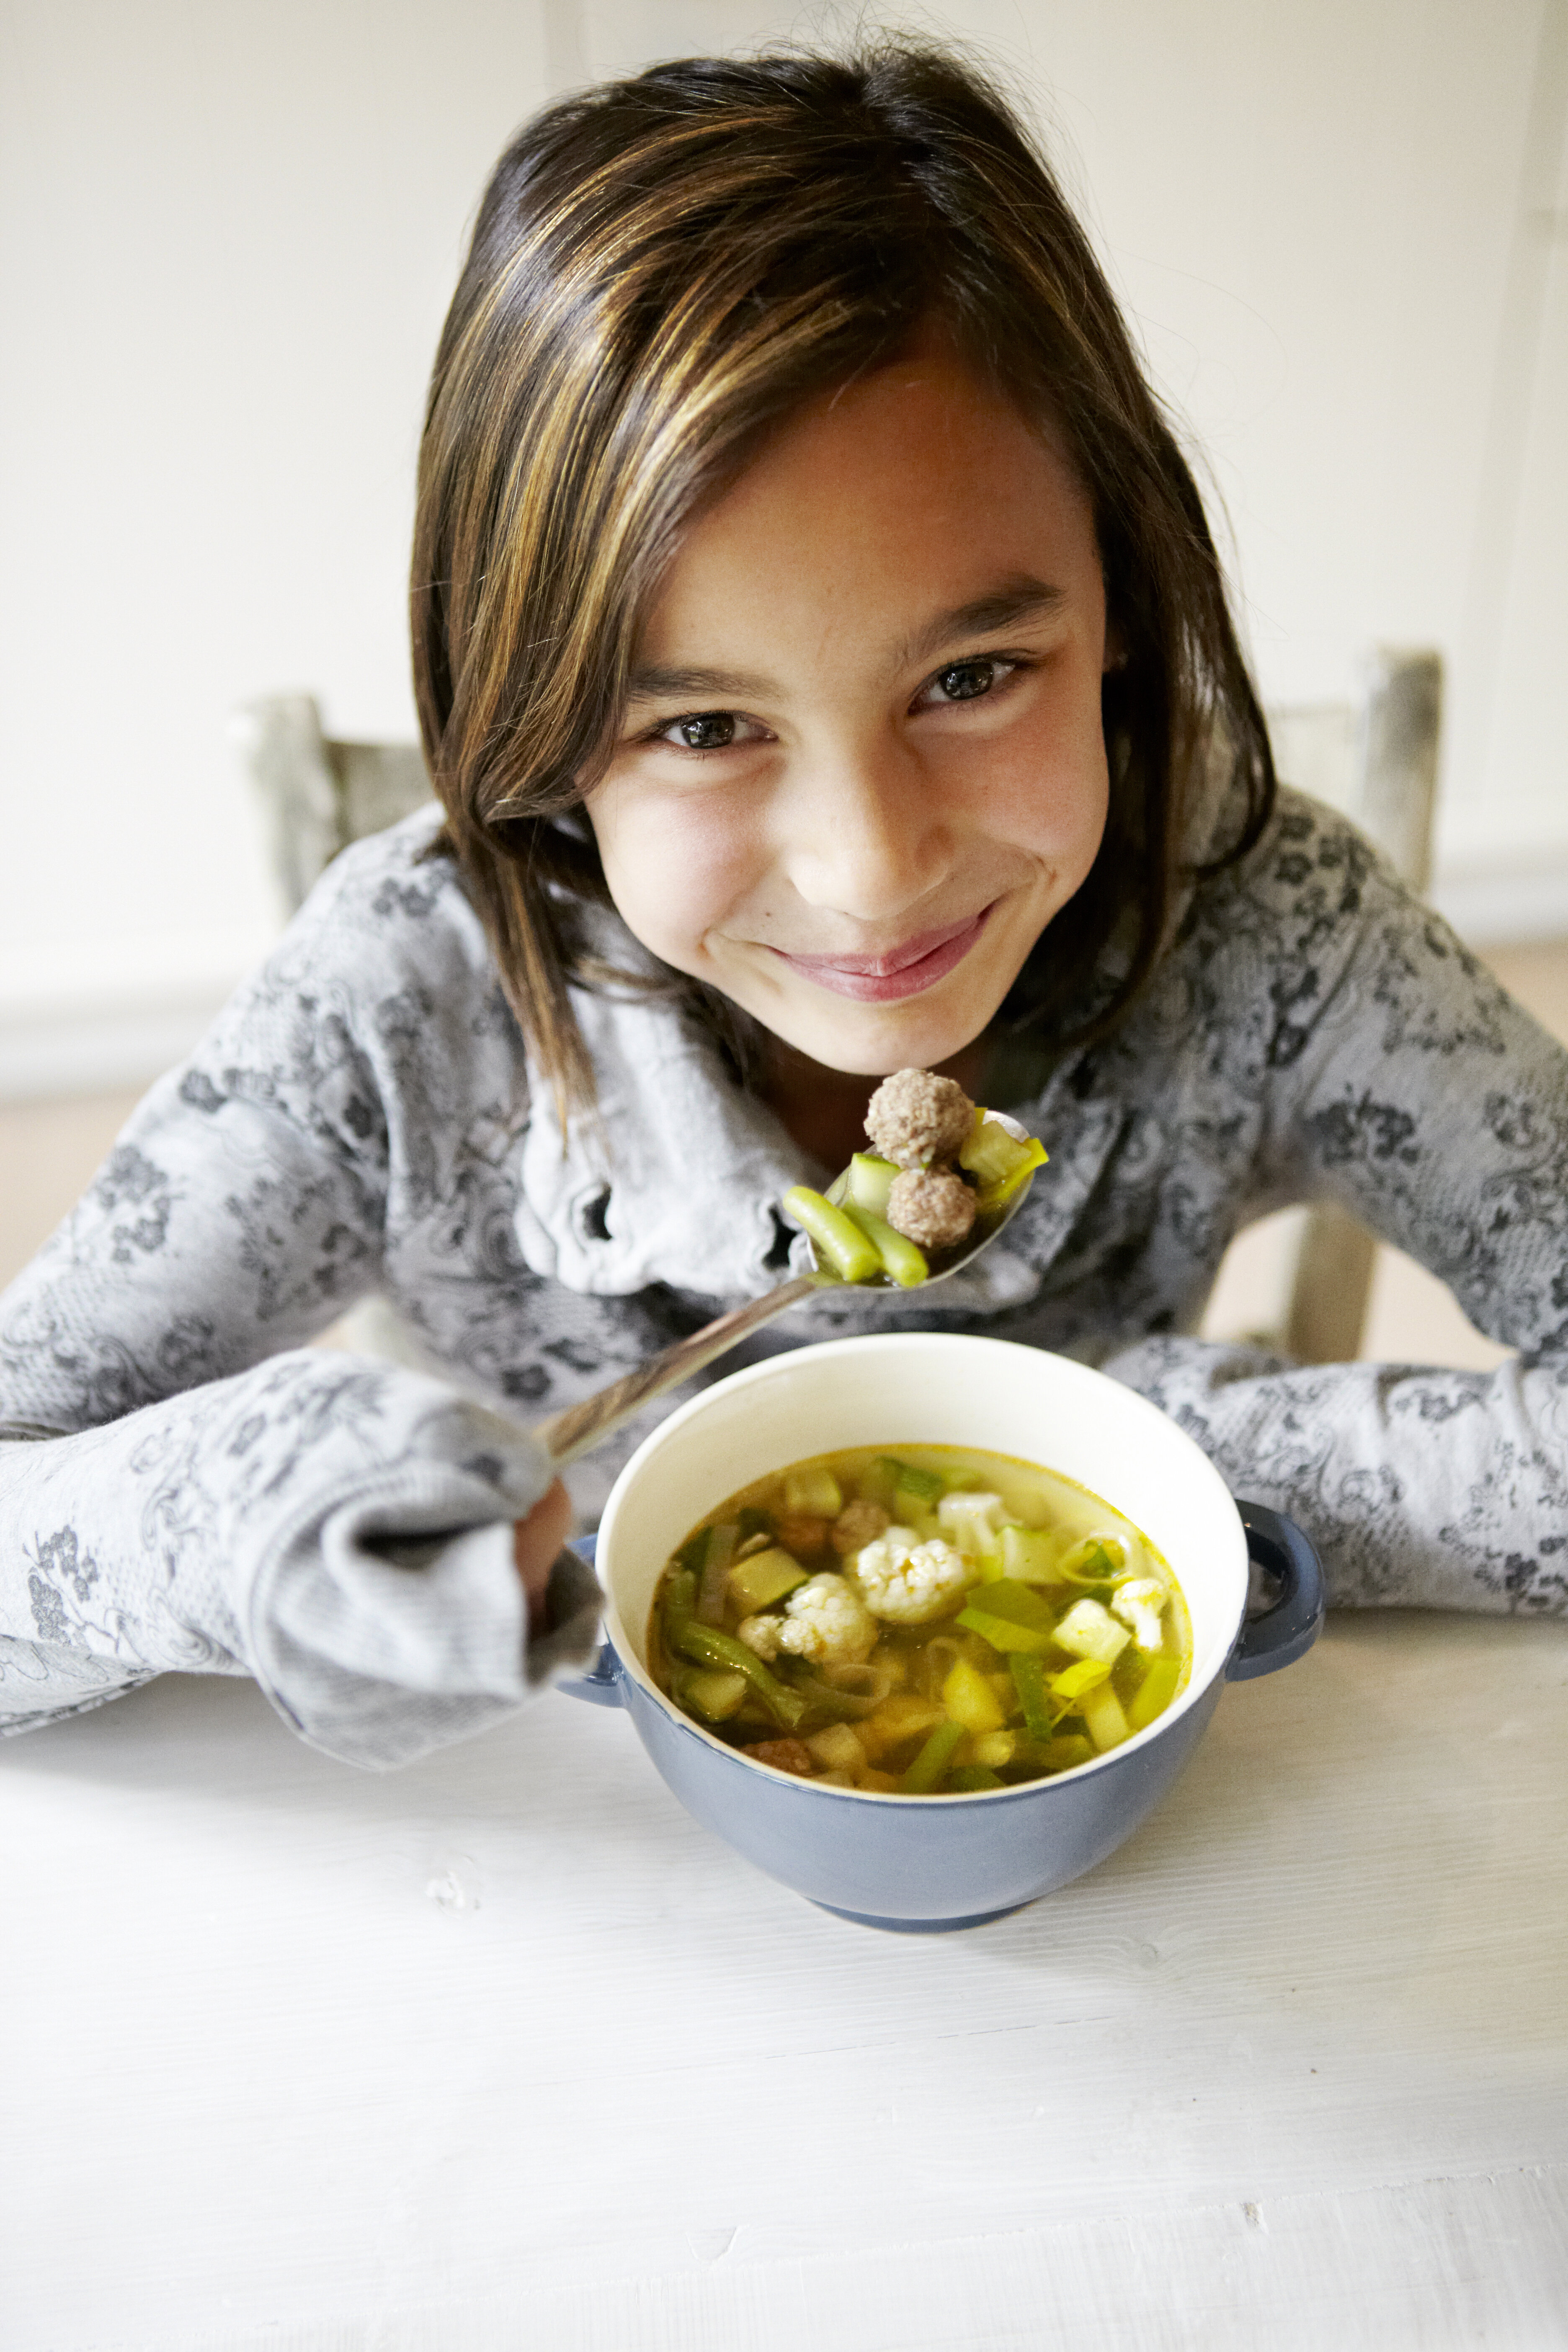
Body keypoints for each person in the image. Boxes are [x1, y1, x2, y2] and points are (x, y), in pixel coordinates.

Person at [3, 46, 1564, 1768]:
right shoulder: (398, 1013)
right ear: (537, 733)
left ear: (1120, 595)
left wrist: (1155, 1451)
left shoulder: (1278, 938)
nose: (872, 866)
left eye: (973, 673)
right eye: (705, 727)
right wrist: (241, 1512)